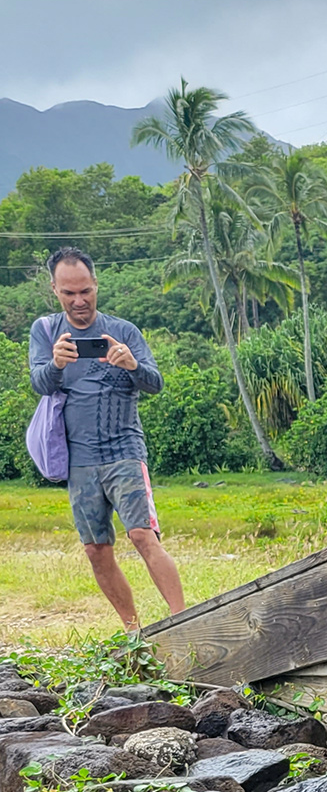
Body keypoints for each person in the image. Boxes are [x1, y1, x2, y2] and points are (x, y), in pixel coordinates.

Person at [28, 246, 185, 630]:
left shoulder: (123, 331)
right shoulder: (45, 330)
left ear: (96, 284)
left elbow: (155, 383)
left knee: (142, 535)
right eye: (69, 293)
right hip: (78, 458)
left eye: (85, 290)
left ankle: (184, 620)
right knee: (97, 549)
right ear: (54, 290)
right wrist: (57, 363)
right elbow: (39, 383)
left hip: (124, 450)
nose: (79, 300)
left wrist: (132, 364)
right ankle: (133, 630)